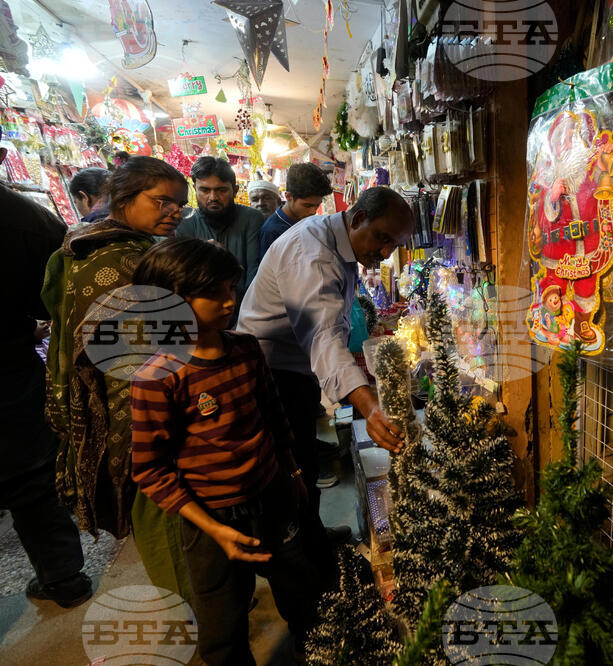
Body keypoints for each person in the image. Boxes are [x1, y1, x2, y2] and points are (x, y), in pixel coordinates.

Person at [131, 238, 319, 664]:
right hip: (211, 517)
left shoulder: (245, 349)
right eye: (214, 292)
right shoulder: (157, 378)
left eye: (231, 288)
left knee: (302, 593)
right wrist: (214, 531)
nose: (229, 300)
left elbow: (273, 417)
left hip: (272, 496)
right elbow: (150, 470)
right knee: (222, 627)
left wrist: (292, 475)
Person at [41, 155, 194, 601]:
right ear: (124, 199)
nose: (174, 212)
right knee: (159, 500)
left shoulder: (102, 246)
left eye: (179, 205)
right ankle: (193, 610)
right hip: (133, 399)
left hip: (143, 387)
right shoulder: (117, 260)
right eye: (163, 201)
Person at [237, 186, 414, 551]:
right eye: (382, 239)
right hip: (270, 376)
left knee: (303, 465)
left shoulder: (337, 242)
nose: (384, 252)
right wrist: (370, 408)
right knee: (290, 471)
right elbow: (323, 340)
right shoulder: (313, 254)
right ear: (359, 218)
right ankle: (301, 572)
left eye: (393, 246)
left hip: (292, 371)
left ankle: (312, 541)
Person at [0, 139, 91, 609]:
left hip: (12, 364)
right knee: (31, 476)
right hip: (10, 369)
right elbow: (58, 299)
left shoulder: (27, 218)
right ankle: (62, 576)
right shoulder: (27, 218)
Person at [175, 156, 264, 325]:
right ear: (195, 189)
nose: (213, 197)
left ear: (235, 190)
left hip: (245, 316)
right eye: (205, 190)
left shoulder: (251, 219)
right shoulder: (184, 223)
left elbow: (255, 275)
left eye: (221, 190)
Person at [259, 163, 332, 256]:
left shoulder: (308, 221)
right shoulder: (271, 231)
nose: (313, 211)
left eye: (317, 205)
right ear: (288, 196)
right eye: (307, 205)